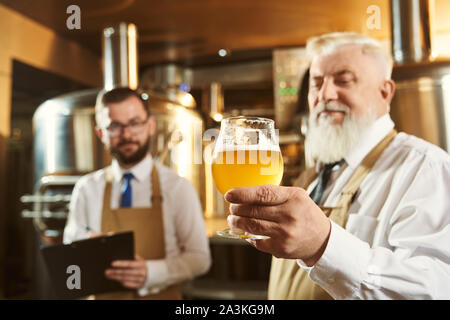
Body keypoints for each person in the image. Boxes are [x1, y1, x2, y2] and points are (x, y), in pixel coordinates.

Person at [225, 32, 450, 299]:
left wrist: (324, 245)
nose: (325, 94)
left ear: (385, 92)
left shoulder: (424, 167)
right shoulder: (314, 176)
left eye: (343, 80)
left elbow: (435, 289)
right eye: (316, 83)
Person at [63, 87, 211, 299]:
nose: (127, 134)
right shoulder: (87, 188)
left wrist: (152, 273)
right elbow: (70, 252)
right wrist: (86, 245)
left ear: (150, 125)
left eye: (135, 123)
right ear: (101, 133)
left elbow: (200, 259)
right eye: (115, 126)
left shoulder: (178, 188)